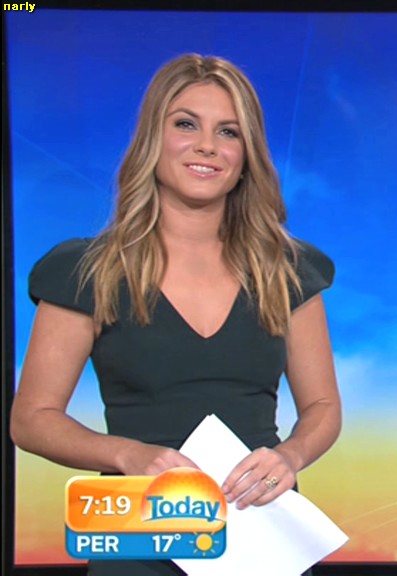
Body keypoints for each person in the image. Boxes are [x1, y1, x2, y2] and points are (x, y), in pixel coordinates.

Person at [9, 54, 342, 576]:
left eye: (228, 132)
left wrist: (291, 456)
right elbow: (31, 419)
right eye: (186, 124)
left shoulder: (286, 271)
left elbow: (322, 405)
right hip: (139, 528)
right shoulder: (88, 271)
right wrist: (128, 455)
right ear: (152, 139)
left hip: (259, 530)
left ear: (246, 155)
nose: (207, 145)